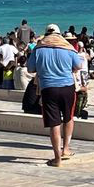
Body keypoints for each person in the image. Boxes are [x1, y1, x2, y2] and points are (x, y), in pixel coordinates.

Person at [27, 25, 83, 167]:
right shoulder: (68, 48)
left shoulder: (38, 49)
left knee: (54, 123)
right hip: (67, 87)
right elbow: (78, 66)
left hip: (48, 88)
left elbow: (30, 68)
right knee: (68, 117)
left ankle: (57, 158)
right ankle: (66, 149)